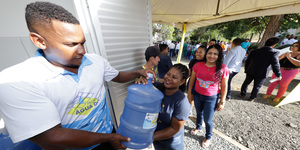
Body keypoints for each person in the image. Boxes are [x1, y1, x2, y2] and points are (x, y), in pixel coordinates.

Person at [0, 2, 155, 150]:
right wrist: (107, 138)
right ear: (39, 41)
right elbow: (50, 137)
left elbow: (117, 76)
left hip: (108, 137)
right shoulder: (16, 81)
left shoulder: (95, 61)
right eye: (71, 44)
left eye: (82, 43)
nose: (81, 51)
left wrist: (138, 72)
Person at [136, 64, 191, 150]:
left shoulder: (181, 102)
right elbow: (141, 90)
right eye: (168, 74)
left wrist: (151, 137)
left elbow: (174, 128)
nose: (169, 78)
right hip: (157, 138)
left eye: (174, 77)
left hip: (172, 143)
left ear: (182, 82)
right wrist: (141, 80)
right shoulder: (157, 88)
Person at [187, 44, 229, 148]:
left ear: (219, 56)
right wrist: (189, 93)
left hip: (211, 98)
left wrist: (222, 102)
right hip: (197, 94)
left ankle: (208, 137)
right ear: (206, 54)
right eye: (210, 53)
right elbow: (192, 80)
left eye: (215, 54)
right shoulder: (198, 65)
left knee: (208, 120)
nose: (212, 56)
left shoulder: (223, 68)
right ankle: (198, 127)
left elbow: (224, 86)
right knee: (199, 113)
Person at [240, 37, 282, 101]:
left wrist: (246, 69)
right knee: (257, 86)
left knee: (246, 82)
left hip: (251, 70)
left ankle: (242, 94)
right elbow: (275, 64)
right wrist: (278, 74)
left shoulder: (255, 51)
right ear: (274, 45)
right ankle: (252, 97)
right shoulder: (274, 53)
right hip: (262, 72)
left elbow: (247, 61)